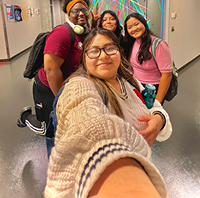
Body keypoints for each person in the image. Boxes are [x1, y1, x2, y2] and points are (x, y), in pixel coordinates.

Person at [44, 28, 172, 198]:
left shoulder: (128, 80)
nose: (103, 56)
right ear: (84, 58)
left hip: (141, 163)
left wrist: (159, 118)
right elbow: (87, 131)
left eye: (110, 48)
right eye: (94, 51)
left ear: (120, 52)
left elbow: (153, 105)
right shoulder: (80, 87)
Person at [17, 0, 92, 135]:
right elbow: (51, 70)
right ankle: (25, 117)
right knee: (50, 128)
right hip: (49, 87)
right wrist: (60, 98)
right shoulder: (62, 33)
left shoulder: (85, 33)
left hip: (70, 86)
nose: (81, 13)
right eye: (75, 11)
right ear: (69, 14)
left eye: (85, 10)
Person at [124, 13, 172, 105]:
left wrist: (158, 101)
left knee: (151, 114)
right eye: (129, 27)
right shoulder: (131, 43)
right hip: (136, 85)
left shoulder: (159, 45)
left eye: (136, 24)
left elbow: (166, 76)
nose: (134, 29)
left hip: (152, 89)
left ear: (144, 24)